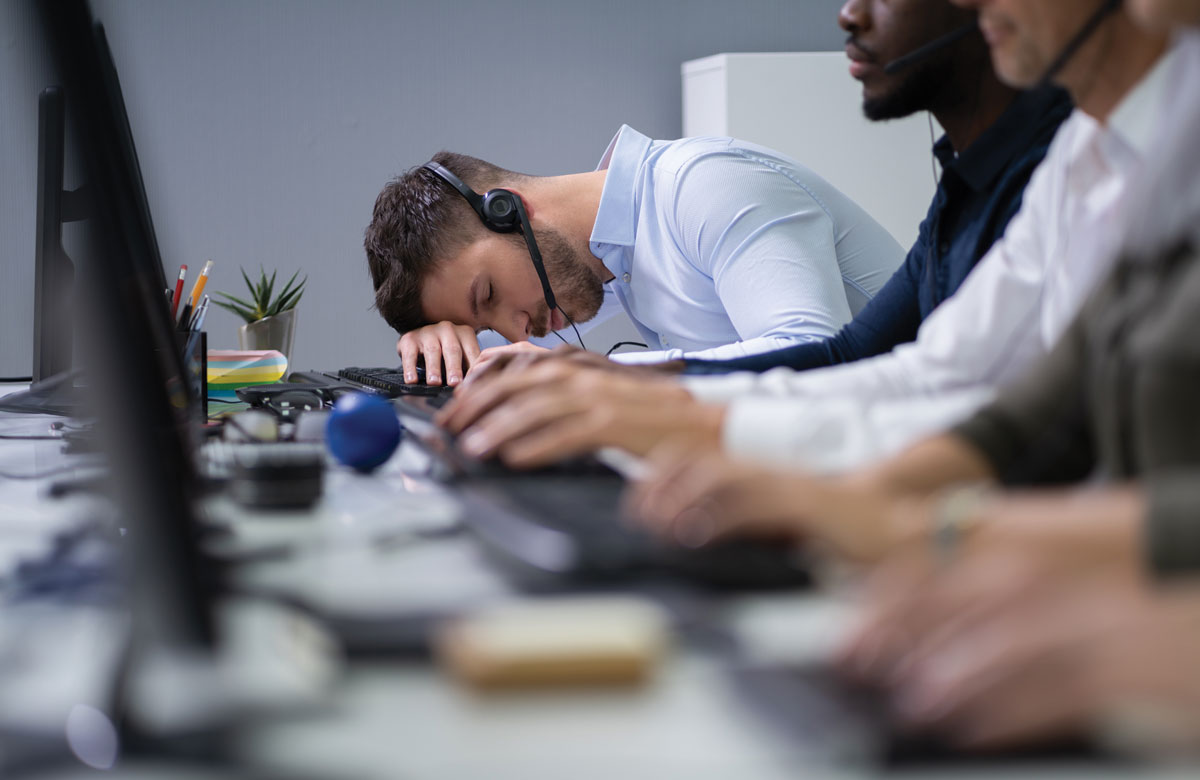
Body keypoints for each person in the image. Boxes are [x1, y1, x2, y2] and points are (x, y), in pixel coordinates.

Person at [364, 128, 905, 386]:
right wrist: (441, 347)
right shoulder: (613, 257)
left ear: (509, 210)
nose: (519, 333)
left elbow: (817, 353)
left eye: (487, 296)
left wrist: (589, 371)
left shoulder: (701, 185)